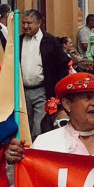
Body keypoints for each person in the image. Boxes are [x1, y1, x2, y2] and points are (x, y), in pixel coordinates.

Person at [20, 9, 69, 138]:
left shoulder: (51, 41)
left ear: (39, 23)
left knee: (39, 127)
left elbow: (63, 64)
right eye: (23, 23)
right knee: (24, 127)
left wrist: (59, 90)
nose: (26, 26)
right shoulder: (18, 41)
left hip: (42, 91)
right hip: (22, 93)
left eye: (29, 23)